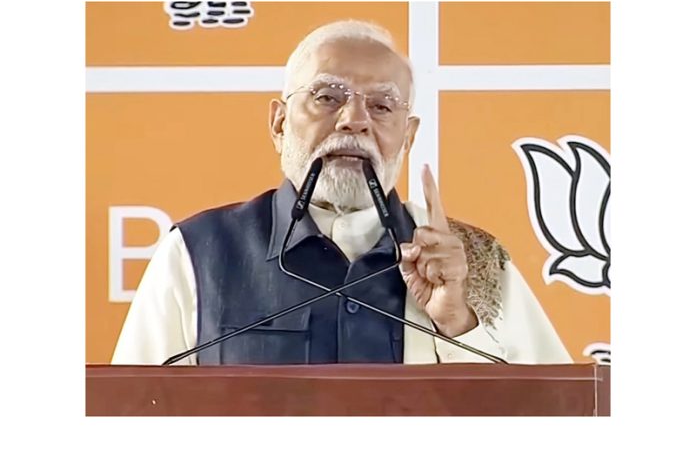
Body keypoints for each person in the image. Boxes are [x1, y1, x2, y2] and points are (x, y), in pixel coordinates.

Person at [112, 20, 572, 366]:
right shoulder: (197, 252)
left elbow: (552, 418)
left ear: (407, 137)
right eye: (328, 97)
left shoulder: (476, 263)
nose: (354, 120)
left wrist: (459, 328)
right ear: (278, 123)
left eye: (381, 105)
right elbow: (132, 418)